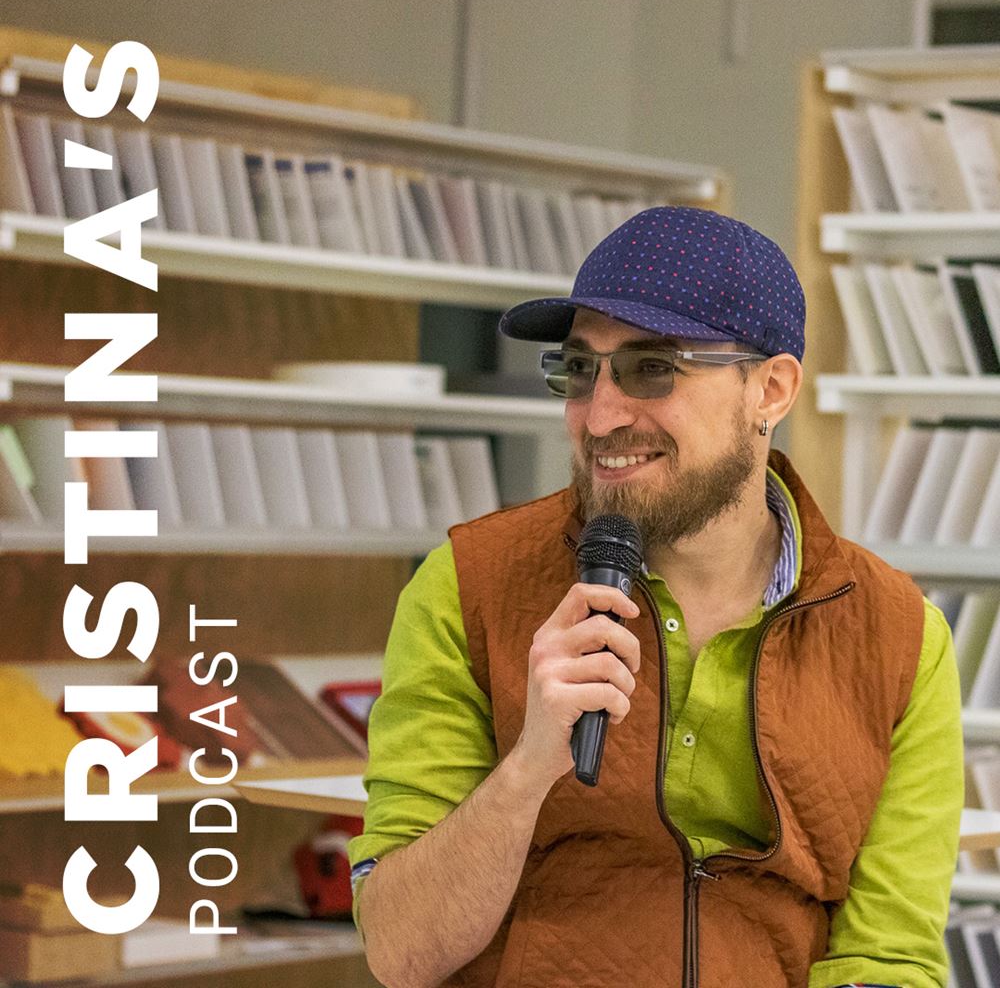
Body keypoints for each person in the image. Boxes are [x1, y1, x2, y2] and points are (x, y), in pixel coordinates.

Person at [348, 205, 963, 988]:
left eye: (653, 369)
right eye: (580, 370)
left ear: (771, 390)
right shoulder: (468, 586)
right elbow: (401, 953)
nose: (601, 416)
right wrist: (529, 768)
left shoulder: (899, 636)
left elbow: (888, 957)